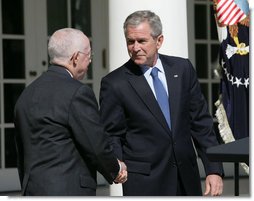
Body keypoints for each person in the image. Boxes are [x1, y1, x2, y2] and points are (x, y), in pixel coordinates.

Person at [99, 10, 224, 196]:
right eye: (130, 41)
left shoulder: (182, 69)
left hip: (186, 177)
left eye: (141, 41)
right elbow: (111, 134)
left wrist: (213, 169)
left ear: (159, 41)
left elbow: (201, 124)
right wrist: (117, 165)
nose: (135, 47)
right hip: (144, 182)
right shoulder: (115, 83)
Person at [14, 28, 127, 196]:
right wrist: (116, 169)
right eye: (89, 55)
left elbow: (22, 151)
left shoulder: (26, 94)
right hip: (69, 190)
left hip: (32, 190)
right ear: (75, 57)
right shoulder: (78, 93)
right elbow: (95, 145)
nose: (89, 61)